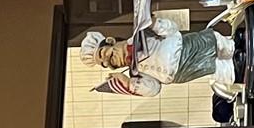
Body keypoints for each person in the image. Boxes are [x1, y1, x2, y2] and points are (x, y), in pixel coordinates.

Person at [80, 21, 234, 98]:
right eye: (104, 65)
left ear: (110, 41)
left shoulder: (140, 34)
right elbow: (154, 89)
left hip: (188, 46)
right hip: (183, 71)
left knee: (219, 43)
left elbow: (171, 28)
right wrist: (127, 83)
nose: (107, 62)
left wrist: (154, 23)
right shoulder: (136, 73)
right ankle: (240, 69)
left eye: (102, 54)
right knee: (218, 68)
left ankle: (238, 46)